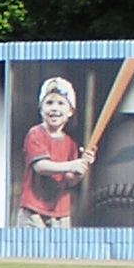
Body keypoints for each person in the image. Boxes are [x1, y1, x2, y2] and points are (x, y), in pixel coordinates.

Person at [16, 77, 94, 230]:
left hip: (60, 212)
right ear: (41, 109)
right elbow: (41, 166)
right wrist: (72, 165)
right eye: (49, 102)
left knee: (58, 254)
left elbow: (70, 180)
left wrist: (82, 167)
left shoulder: (71, 144)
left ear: (70, 111)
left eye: (61, 103)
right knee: (30, 252)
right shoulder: (35, 134)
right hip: (33, 210)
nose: (54, 108)